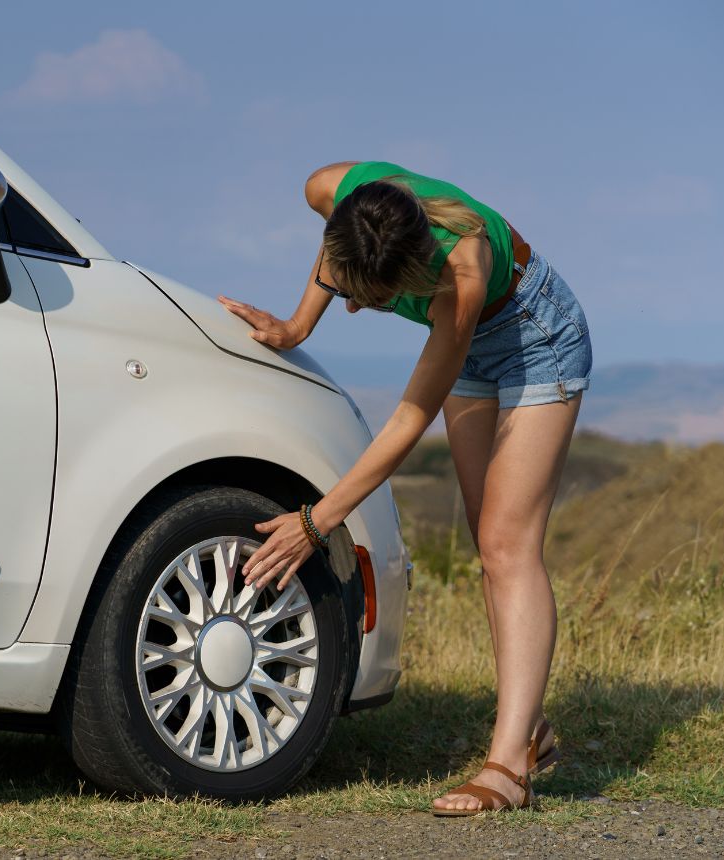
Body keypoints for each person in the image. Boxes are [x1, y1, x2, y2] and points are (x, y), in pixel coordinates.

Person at [217, 160, 591, 816]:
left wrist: (317, 519)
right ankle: (527, 732)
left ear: (415, 276)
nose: (355, 307)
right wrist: (301, 323)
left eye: (376, 300)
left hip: (535, 336)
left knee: (508, 546)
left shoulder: (463, 275)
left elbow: (409, 419)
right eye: (347, 290)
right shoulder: (331, 190)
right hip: (472, 347)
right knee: (488, 546)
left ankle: (508, 770)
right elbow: (336, 241)